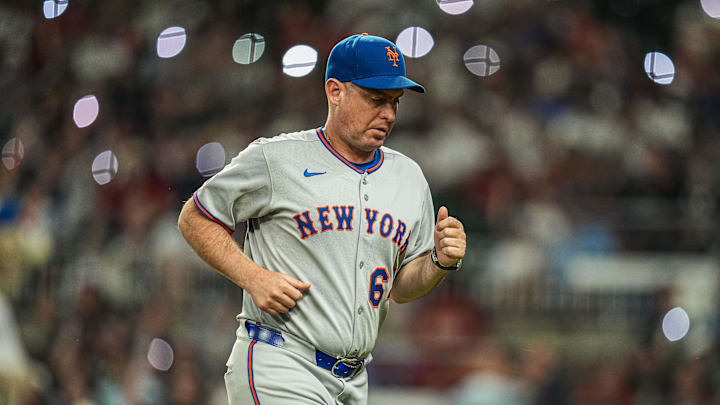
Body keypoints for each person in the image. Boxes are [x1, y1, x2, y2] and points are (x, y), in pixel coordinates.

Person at [178, 33, 467, 405]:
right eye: (376, 100)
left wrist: (439, 262)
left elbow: (401, 287)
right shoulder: (278, 159)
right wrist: (253, 277)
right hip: (280, 362)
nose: (389, 115)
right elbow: (195, 217)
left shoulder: (408, 177)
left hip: (353, 380)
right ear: (335, 91)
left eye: (395, 103)